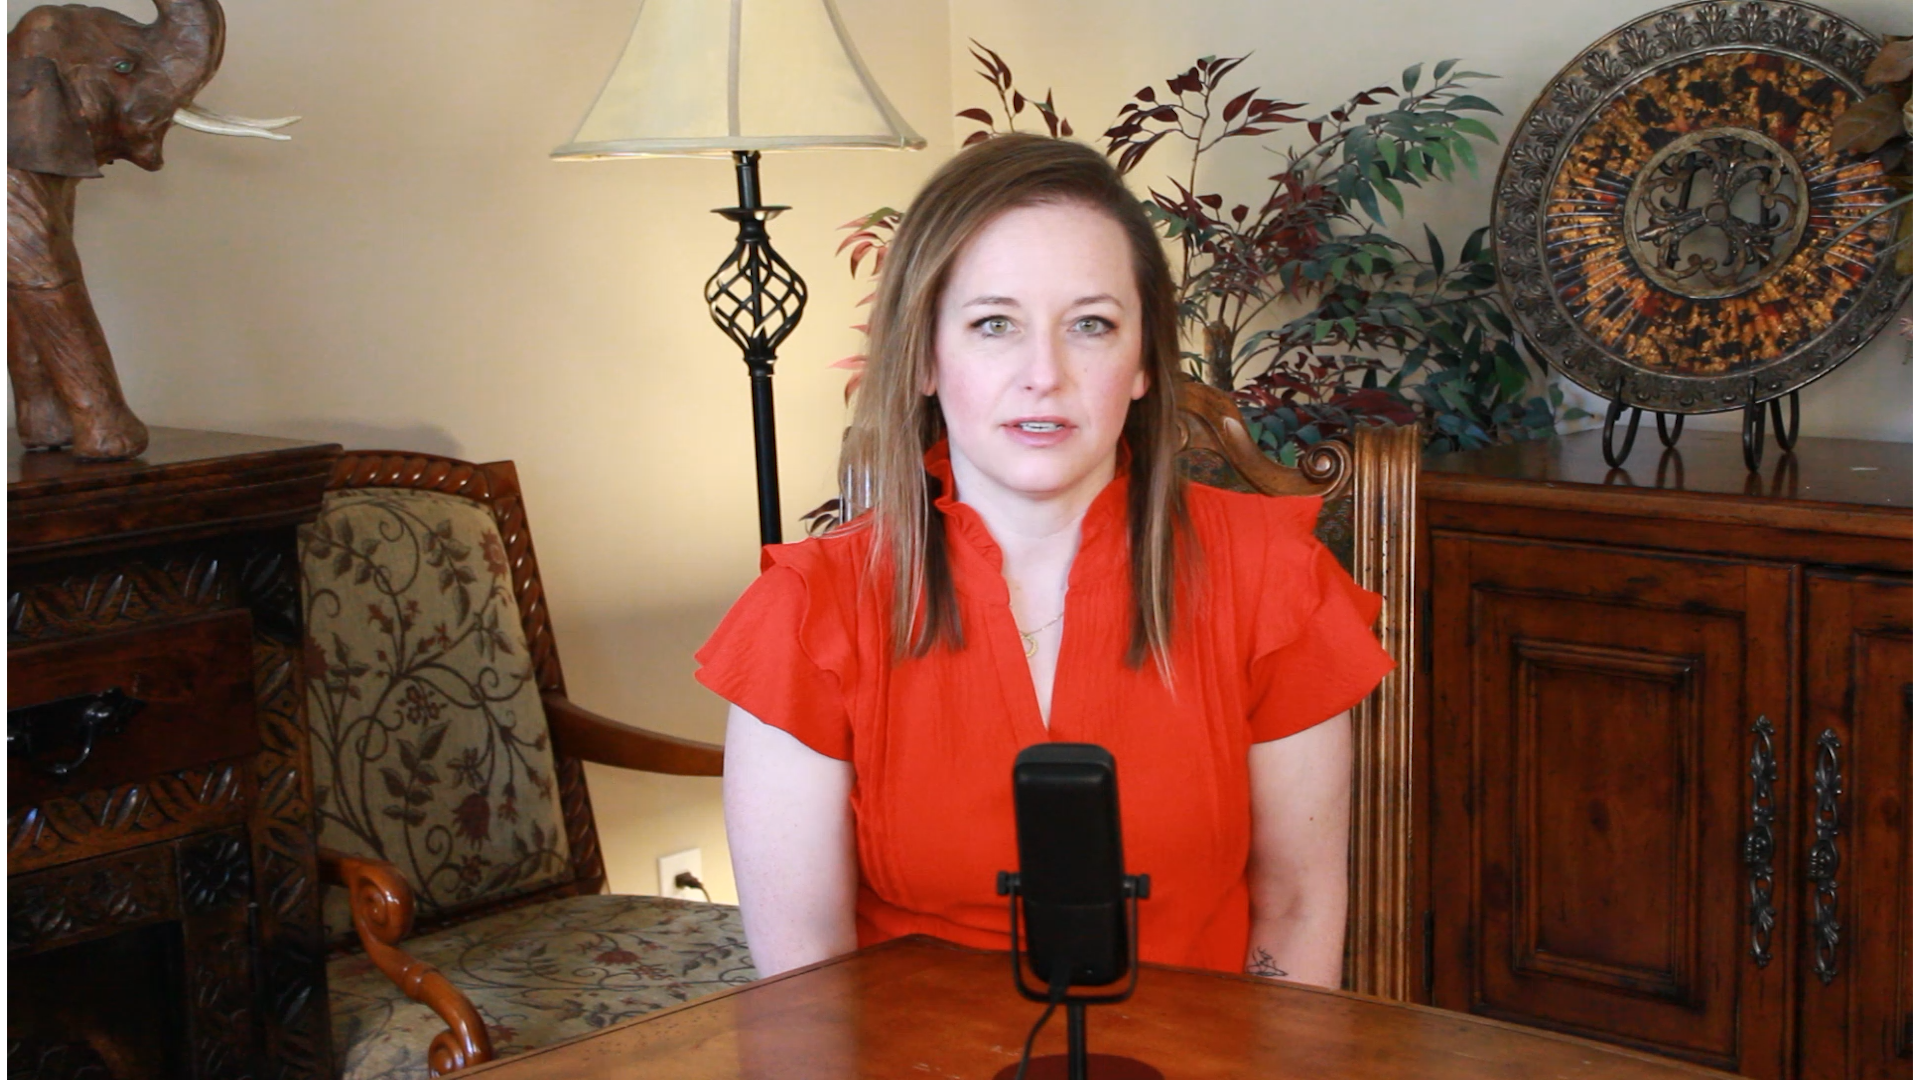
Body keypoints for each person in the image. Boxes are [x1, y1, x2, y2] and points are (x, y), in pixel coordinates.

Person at [696, 133, 1393, 987]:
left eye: (1091, 325)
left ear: (1143, 361)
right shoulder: (808, 615)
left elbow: (1298, 910)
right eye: (994, 324)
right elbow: (805, 983)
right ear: (923, 355)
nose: (1045, 374)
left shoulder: (1271, 580)